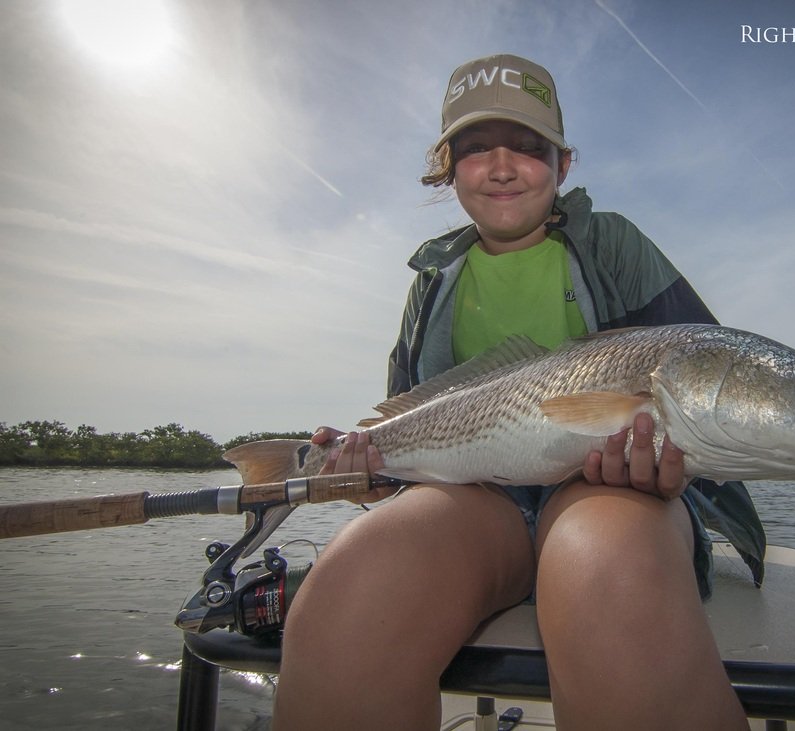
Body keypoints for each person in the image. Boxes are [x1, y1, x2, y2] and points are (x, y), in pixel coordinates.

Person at [273, 54, 764, 730]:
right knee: (350, 585)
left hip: (611, 494)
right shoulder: (432, 279)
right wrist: (366, 467)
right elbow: (409, 414)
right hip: (475, 503)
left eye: (530, 147)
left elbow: (708, 370)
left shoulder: (613, 243)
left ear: (563, 164)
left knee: (602, 570)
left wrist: (667, 464)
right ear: (448, 166)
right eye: (475, 149)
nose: (502, 166)